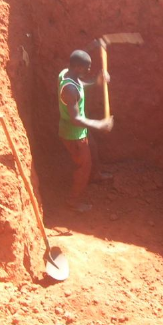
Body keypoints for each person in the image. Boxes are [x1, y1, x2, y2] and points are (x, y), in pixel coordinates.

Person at [58, 41, 114, 212]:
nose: (89, 70)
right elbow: (75, 119)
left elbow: (80, 85)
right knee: (84, 167)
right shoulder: (69, 89)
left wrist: (97, 81)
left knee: (93, 148)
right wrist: (100, 124)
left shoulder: (66, 73)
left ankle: (95, 176)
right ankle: (73, 201)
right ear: (77, 67)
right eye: (87, 68)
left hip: (80, 130)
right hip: (73, 134)